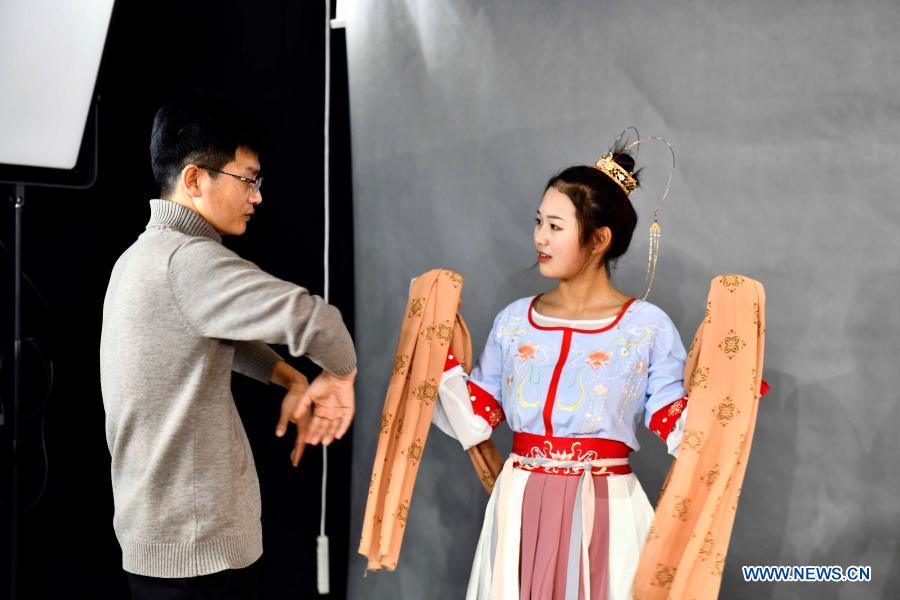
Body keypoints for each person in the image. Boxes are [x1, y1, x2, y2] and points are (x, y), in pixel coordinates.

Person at [100, 94, 357, 599]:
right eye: (248, 178)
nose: (257, 196)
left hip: (156, 542)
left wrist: (288, 376)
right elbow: (314, 318)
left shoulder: (137, 259)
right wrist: (341, 375)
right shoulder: (189, 261)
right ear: (195, 180)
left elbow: (205, 339)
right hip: (202, 556)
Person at [432, 138, 690, 599]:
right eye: (538, 223)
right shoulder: (514, 322)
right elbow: (475, 412)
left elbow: (678, 422)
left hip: (608, 505)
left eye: (555, 225)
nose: (539, 238)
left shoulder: (647, 328)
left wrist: (726, 391)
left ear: (599, 239)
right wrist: (434, 351)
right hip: (519, 506)